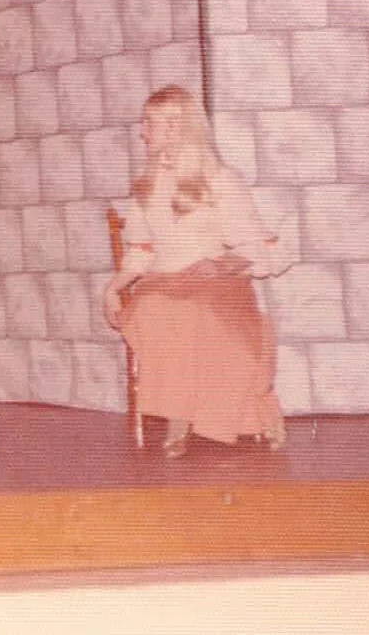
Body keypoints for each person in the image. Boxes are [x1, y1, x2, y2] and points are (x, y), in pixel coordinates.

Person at [103, 85, 290, 458]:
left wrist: (219, 264)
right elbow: (141, 251)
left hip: (215, 285)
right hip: (163, 285)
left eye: (149, 123)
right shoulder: (146, 185)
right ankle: (179, 416)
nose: (142, 132)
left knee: (196, 313)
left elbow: (261, 247)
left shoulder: (219, 179)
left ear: (175, 127)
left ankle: (251, 413)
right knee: (155, 307)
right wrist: (112, 287)